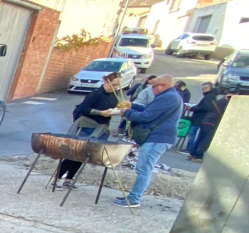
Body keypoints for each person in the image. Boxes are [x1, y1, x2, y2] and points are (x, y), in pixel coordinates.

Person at [105, 74, 182, 208]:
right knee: (144, 167)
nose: (152, 89)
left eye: (154, 87)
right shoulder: (170, 96)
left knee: (144, 168)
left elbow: (146, 116)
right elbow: (149, 110)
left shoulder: (167, 98)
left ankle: (134, 199)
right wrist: (132, 105)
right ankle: (133, 196)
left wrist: (126, 113)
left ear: (163, 85)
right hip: (159, 137)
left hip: (158, 138)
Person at [57, 72, 121, 188]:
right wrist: (100, 113)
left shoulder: (114, 95)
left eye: (117, 86)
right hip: (87, 126)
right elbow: (83, 108)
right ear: (106, 81)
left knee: (85, 155)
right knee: (75, 153)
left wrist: (118, 110)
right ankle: (57, 179)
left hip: (101, 127)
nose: (115, 88)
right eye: (114, 84)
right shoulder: (95, 93)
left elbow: (112, 108)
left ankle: (69, 179)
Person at [188, 92, 230, 162]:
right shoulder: (227, 103)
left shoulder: (220, 101)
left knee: (200, 138)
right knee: (206, 140)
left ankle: (192, 153)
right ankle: (198, 156)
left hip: (206, 120)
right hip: (213, 122)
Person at [184, 81, 217, 155]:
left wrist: (193, 108)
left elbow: (205, 108)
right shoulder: (210, 96)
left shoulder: (209, 96)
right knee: (195, 134)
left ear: (210, 88)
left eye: (206, 88)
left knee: (192, 133)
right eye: (203, 88)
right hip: (203, 118)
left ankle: (190, 149)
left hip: (201, 118)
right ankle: (191, 149)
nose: (204, 90)